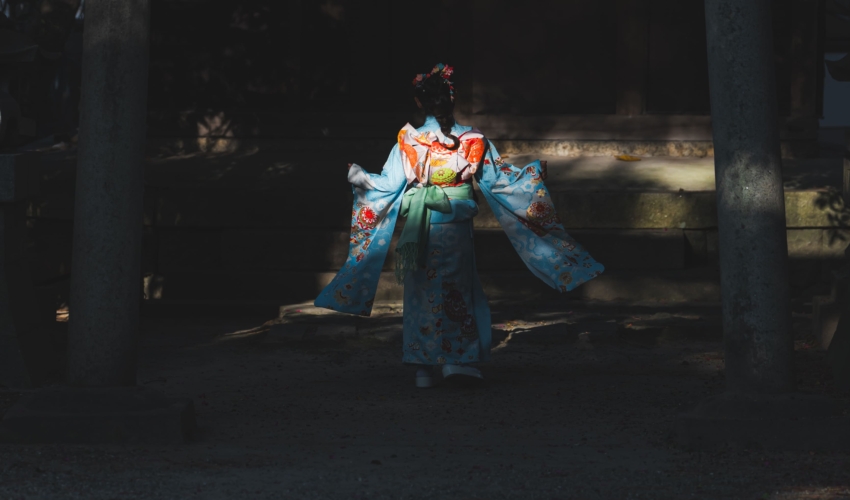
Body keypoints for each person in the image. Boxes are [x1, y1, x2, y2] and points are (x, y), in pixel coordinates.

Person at [314, 63, 604, 388]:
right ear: (452, 98)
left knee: (420, 295)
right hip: (454, 225)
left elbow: (387, 185)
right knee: (457, 291)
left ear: (420, 102)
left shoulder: (408, 141)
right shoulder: (473, 139)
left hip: (420, 228)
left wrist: (361, 179)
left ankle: (422, 368)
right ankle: (456, 361)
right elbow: (499, 182)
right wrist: (530, 175)